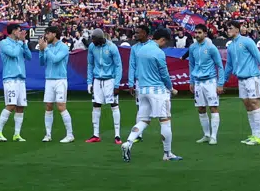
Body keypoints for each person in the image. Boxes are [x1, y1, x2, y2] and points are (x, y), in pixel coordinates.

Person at [121, 27, 180, 163]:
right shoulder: (159, 53)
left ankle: (128, 142)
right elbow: (164, 74)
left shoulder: (141, 50)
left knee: (143, 120)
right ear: (163, 39)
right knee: (165, 121)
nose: (165, 45)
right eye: (165, 42)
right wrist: (171, 89)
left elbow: (135, 67)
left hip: (142, 90)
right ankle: (167, 153)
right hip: (157, 91)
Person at [219, 21, 260, 146]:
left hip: (252, 77)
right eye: (227, 28)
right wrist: (222, 82)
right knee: (248, 105)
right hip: (241, 79)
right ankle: (254, 134)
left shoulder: (247, 41)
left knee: (255, 103)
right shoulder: (231, 46)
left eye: (230, 28)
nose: (228, 30)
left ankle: (258, 136)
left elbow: (259, 56)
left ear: (237, 29)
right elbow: (229, 65)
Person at [187, 24, 224, 144]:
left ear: (205, 34)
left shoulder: (211, 48)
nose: (197, 35)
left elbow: (220, 66)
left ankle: (214, 136)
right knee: (201, 108)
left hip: (210, 81)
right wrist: (192, 81)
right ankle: (207, 135)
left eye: (199, 33)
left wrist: (220, 84)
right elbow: (191, 65)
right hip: (198, 82)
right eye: (195, 33)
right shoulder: (192, 47)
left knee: (213, 107)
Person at [0, 23, 30, 142]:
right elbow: (13, 54)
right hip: (10, 78)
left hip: (21, 79)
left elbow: (29, 56)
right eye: (19, 30)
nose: (21, 32)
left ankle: (17, 134)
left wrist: (24, 43)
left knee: (20, 106)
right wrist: (20, 42)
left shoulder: (19, 44)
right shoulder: (4, 43)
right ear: (13, 31)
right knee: (11, 105)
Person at [85, 27, 122, 144]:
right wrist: (89, 82)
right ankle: (95, 134)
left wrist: (116, 84)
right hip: (97, 80)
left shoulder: (112, 47)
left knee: (114, 105)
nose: (92, 42)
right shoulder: (92, 47)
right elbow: (90, 64)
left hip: (110, 80)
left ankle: (117, 135)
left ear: (100, 39)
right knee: (96, 105)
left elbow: (118, 66)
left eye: (94, 40)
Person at [38, 27, 74, 143]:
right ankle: (48, 134)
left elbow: (55, 59)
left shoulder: (63, 47)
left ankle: (70, 134)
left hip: (60, 80)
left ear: (54, 34)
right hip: (49, 79)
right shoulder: (48, 47)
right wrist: (41, 51)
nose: (46, 36)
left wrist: (45, 49)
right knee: (48, 106)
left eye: (48, 33)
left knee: (61, 106)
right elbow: (42, 62)